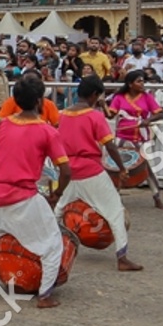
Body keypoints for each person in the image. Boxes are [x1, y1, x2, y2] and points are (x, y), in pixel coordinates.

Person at [0, 77, 72, 308]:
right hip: (23, 196)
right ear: (39, 101)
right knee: (52, 244)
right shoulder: (46, 130)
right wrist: (57, 194)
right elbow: (65, 171)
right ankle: (45, 295)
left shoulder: (3, 124)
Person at [54, 75, 141, 272]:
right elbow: (109, 145)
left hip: (68, 170)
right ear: (94, 94)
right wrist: (122, 167)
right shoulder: (94, 115)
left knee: (59, 210)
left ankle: (49, 249)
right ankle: (122, 257)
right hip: (90, 170)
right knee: (115, 212)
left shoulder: (63, 114)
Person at [109, 68, 163, 209]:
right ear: (130, 84)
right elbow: (110, 115)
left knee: (147, 167)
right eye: (139, 81)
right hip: (123, 136)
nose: (142, 84)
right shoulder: (119, 97)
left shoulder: (147, 97)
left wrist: (149, 120)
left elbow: (160, 113)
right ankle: (114, 197)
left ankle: (156, 196)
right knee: (118, 168)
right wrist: (102, 105)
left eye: (143, 81)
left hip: (141, 136)